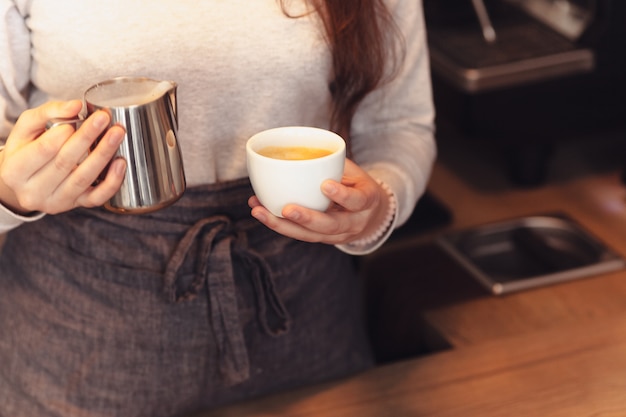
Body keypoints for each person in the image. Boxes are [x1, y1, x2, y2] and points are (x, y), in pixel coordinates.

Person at [0, 0, 436, 416]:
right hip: (78, 332)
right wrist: (10, 189)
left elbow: (398, 125)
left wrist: (377, 210)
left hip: (302, 299)